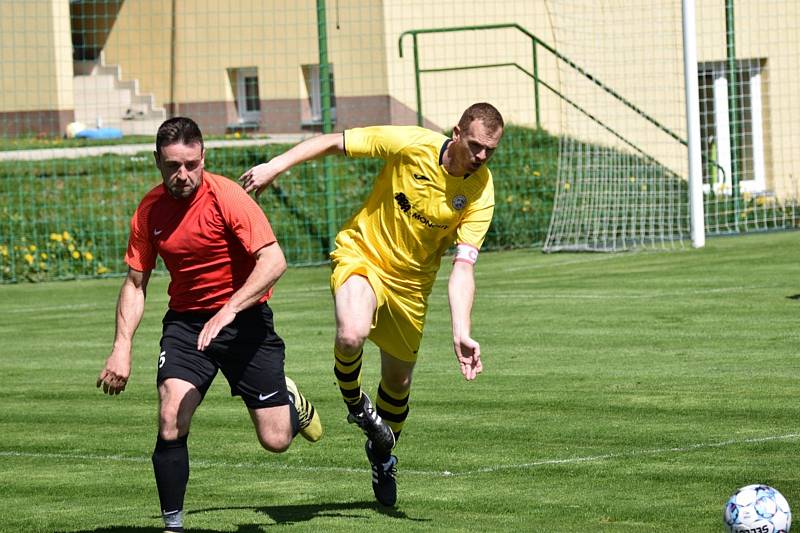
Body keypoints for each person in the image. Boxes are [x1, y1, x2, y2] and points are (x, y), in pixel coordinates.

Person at [239, 102, 504, 507]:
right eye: (475, 145)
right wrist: (276, 165)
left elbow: (463, 268)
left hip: (412, 287)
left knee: (398, 385)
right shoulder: (412, 143)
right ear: (455, 132)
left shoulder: (480, 191)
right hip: (362, 255)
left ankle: (381, 455)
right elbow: (334, 142)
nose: (482, 157)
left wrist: (461, 330)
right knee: (351, 333)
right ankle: (355, 405)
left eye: (490, 150)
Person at [96, 117, 323, 533]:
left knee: (275, 440)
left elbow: (273, 262)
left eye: (190, 164)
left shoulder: (228, 197)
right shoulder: (149, 210)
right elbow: (135, 282)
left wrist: (229, 310)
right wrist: (121, 346)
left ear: (204, 157)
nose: (181, 175)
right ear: (157, 162)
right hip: (186, 325)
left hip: (245, 322)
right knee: (170, 415)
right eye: (171, 166)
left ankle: (292, 402)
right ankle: (173, 524)